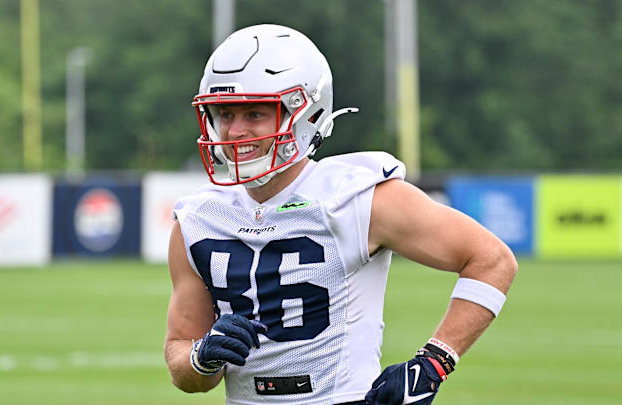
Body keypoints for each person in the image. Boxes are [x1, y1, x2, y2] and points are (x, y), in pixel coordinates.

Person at [164, 24, 517, 405]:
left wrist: (434, 363)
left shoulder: (358, 197)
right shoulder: (199, 219)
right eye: (225, 114)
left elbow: (492, 260)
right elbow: (182, 361)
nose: (234, 132)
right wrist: (202, 357)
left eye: (254, 114)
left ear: (305, 114)